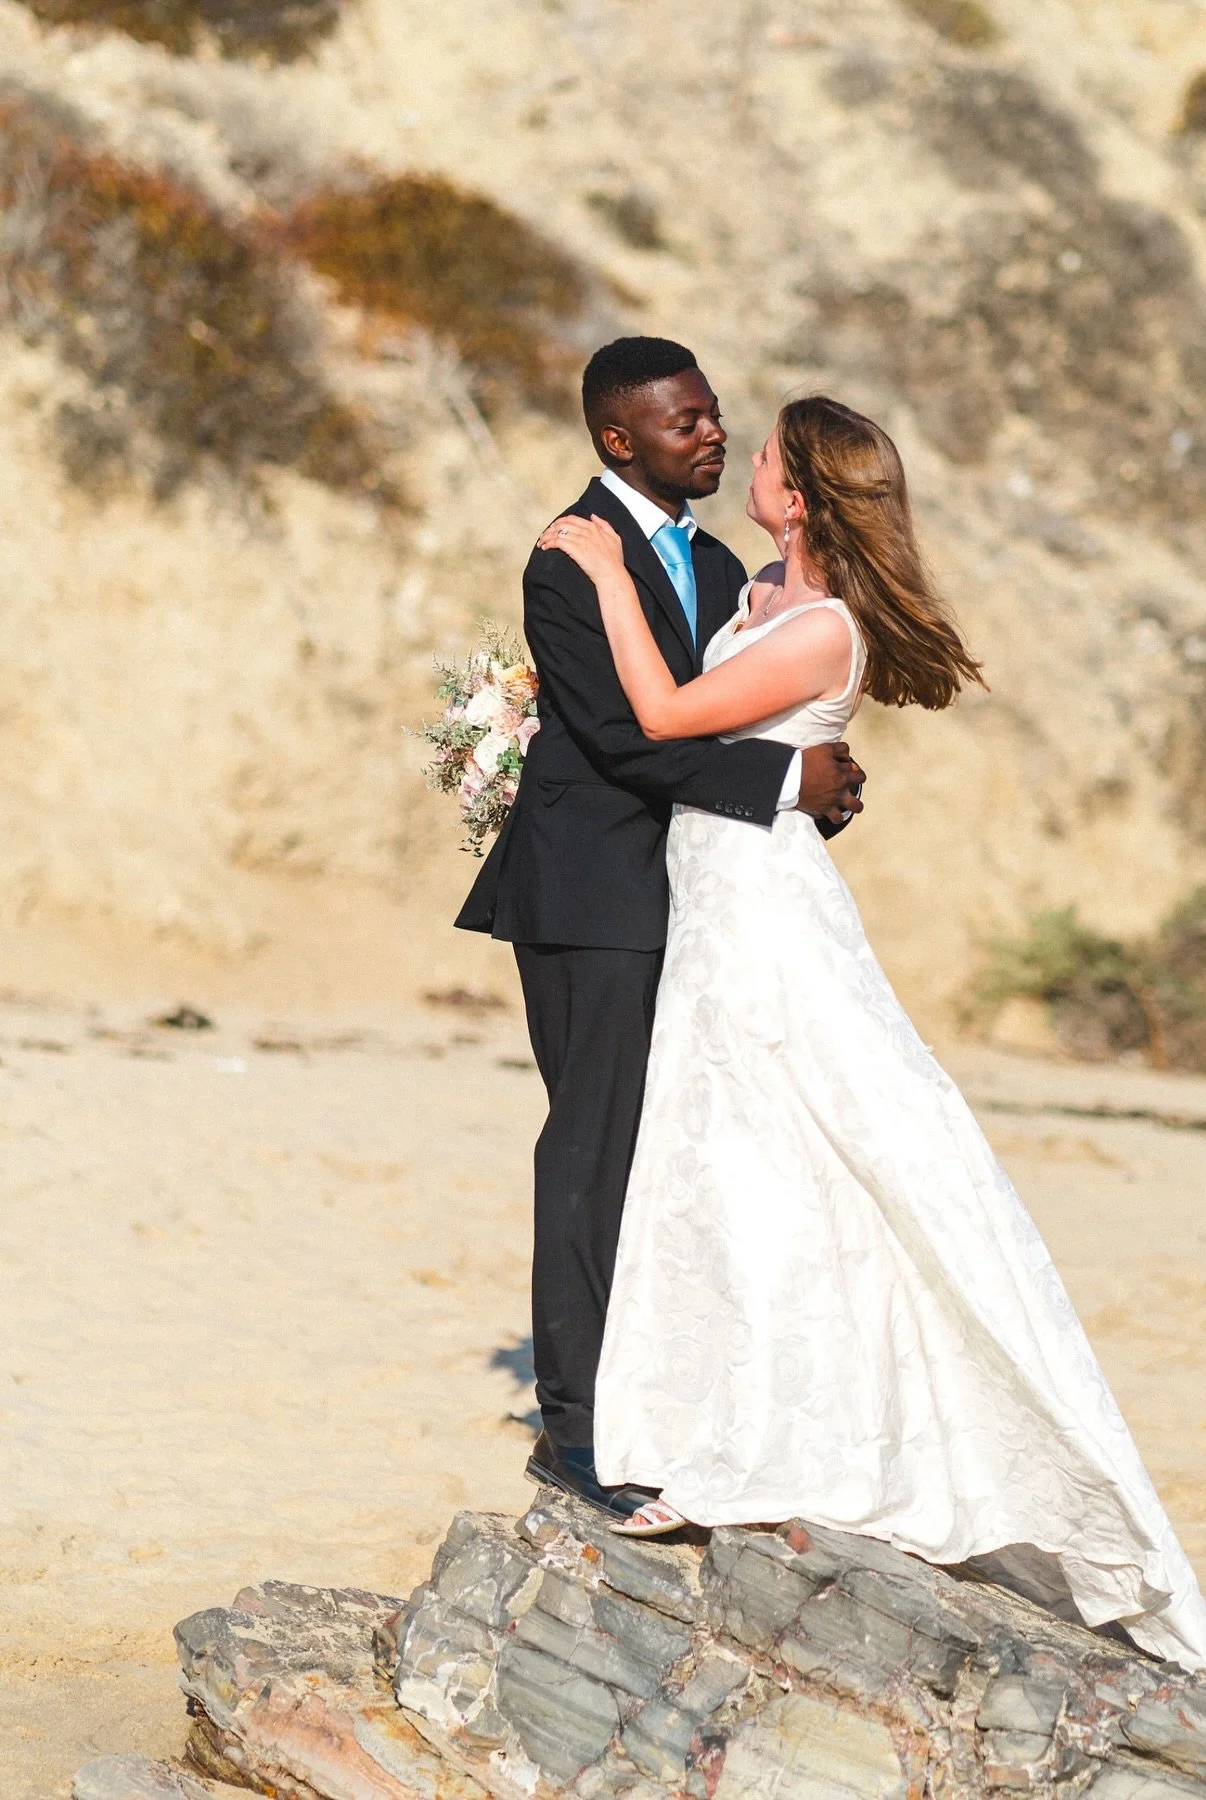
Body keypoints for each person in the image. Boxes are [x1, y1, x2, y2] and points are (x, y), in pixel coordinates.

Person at [535, 393, 1206, 1672]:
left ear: (800, 496)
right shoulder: (757, 592)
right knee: (728, 1157)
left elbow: (665, 720)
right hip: (713, 894)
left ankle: (800, 1433)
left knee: (817, 1143)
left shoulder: (823, 629)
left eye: (766, 460)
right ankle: (720, 1411)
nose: (744, 460)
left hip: (761, 909)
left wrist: (599, 576)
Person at [454, 339, 864, 1520]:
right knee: (591, 1153)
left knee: (674, 1154)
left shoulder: (728, 562)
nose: (712, 434)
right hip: (590, 899)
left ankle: (669, 1402)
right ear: (618, 438)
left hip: (700, 898)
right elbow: (631, 742)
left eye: (716, 414)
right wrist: (787, 788)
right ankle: (573, 1434)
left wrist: (813, 789)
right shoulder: (566, 561)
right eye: (683, 422)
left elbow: (725, 725)